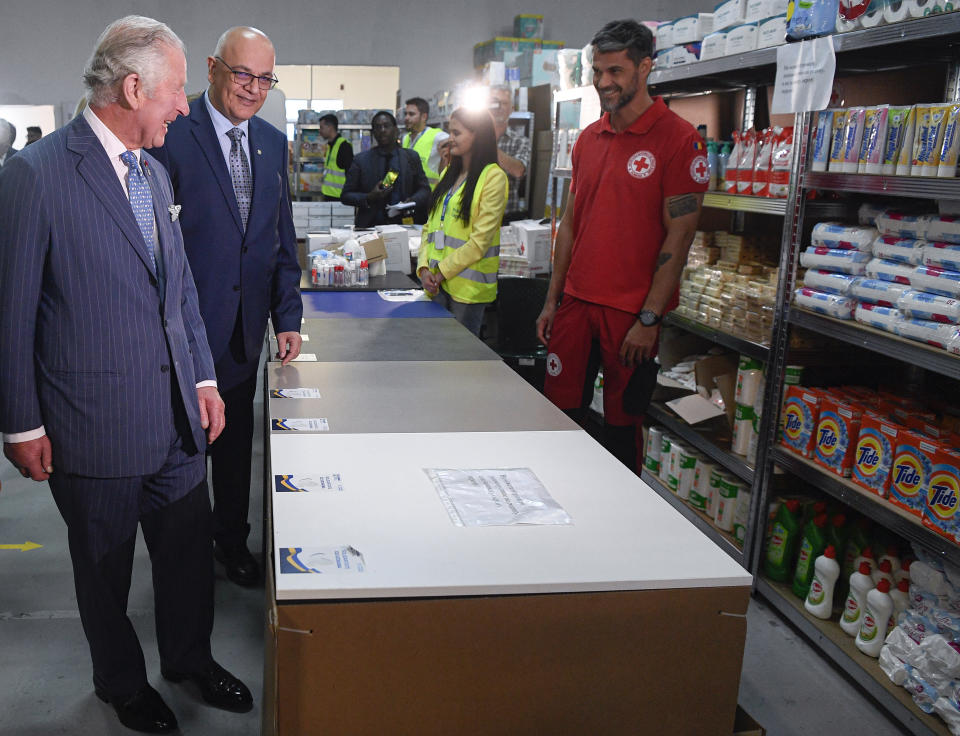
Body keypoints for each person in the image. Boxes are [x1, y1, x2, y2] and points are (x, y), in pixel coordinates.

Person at [0, 16, 252, 733]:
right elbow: (11, 313)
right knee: (104, 573)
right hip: (92, 427)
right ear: (134, 86)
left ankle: (189, 660)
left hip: (176, 420)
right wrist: (20, 423)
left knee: (183, 559)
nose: (182, 106)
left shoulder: (154, 169)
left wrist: (202, 380)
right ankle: (120, 681)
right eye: (174, 92)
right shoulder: (35, 175)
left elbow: (180, 296)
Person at [151, 26, 303, 588]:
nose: (254, 88)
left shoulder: (270, 141)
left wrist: (287, 315)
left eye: (265, 78)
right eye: (243, 74)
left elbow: (278, 238)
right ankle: (182, 555)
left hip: (243, 335)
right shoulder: (170, 132)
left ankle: (230, 542)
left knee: (236, 451)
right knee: (183, 457)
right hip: (182, 339)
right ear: (213, 68)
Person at [535, 19, 708, 473]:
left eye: (615, 71)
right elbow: (570, 225)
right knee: (557, 418)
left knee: (620, 427)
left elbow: (680, 235)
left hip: (630, 316)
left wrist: (650, 318)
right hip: (575, 305)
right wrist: (553, 300)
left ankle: (617, 524)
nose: (603, 82)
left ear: (645, 67)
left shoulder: (679, 140)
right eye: (597, 71)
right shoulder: (589, 140)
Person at [417, 107, 507, 336]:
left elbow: (479, 243)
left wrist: (439, 273)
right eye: (450, 132)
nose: (450, 139)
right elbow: (430, 226)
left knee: (458, 361)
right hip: (437, 285)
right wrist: (424, 268)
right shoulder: (449, 173)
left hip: (467, 290)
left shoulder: (493, 177)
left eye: (457, 133)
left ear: (478, 135)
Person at [341, 111, 431, 228]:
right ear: (373, 133)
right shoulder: (361, 160)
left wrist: (413, 200)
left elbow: (424, 189)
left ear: (396, 130)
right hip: (371, 226)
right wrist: (369, 197)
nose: (382, 130)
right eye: (378, 127)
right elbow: (346, 196)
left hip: (406, 225)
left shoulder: (411, 157)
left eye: (386, 126)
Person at [489, 85, 531, 221]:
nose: (499, 107)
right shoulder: (471, 139)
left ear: (512, 109)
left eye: (504, 103)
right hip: (474, 215)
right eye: (494, 102)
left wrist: (486, 143)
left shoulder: (520, 141)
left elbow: (519, 170)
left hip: (506, 217)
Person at [402, 96, 449, 189]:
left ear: (424, 117)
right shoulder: (405, 138)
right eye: (405, 114)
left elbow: (455, 140)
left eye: (411, 114)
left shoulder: (436, 136)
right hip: (410, 195)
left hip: (429, 195)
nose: (406, 118)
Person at [318, 113, 353, 202]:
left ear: (330, 127)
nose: (320, 131)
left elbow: (351, 174)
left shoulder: (344, 146)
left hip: (339, 198)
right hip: (329, 196)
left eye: (322, 127)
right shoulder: (330, 146)